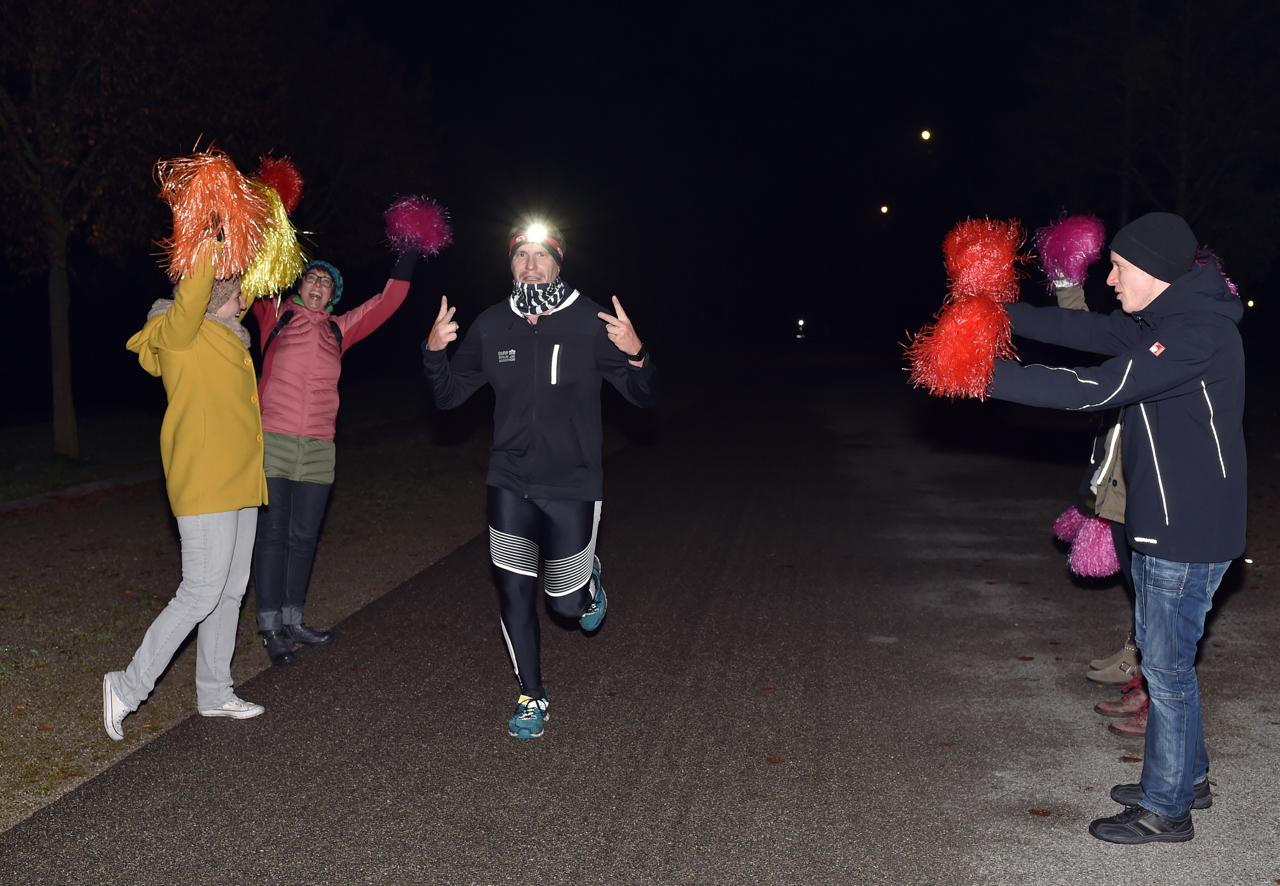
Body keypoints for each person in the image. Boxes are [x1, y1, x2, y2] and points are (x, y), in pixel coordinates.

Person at [987, 212, 1244, 844]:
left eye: (1120, 268)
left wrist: (984, 375)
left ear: (1154, 274)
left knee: (1166, 669)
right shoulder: (1163, 321)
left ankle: (1166, 808)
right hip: (1172, 518)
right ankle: (1188, 778)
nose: (1108, 276)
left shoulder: (1195, 334)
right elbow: (1084, 329)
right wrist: (1000, 315)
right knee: (1170, 666)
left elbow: (1099, 388)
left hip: (1187, 528)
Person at [422, 219, 658, 738]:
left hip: (573, 484)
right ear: (511, 265)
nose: (530, 265)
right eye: (520, 256)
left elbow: (644, 397)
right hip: (508, 481)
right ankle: (532, 695)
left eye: (540, 255)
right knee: (513, 594)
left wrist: (637, 351)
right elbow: (449, 396)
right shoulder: (490, 324)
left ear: (558, 262)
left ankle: (588, 586)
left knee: (565, 605)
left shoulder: (591, 320)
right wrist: (434, 353)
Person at [104, 247, 269, 738]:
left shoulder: (230, 337)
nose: (244, 298)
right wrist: (210, 241)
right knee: (200, 590)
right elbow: (195, 291)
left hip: (241, 479)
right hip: (204, 480)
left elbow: (249, 281)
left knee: (231, 590)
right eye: (235, 291)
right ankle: (126, 686)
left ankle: (215, 691)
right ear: (215, 294)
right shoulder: (183, 333)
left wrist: (257, 232)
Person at [249, 254, 418, 665]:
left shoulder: (340, 329)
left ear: (332, 296)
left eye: (326, 281)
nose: (318, 284)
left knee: (304, 537)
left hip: (321, 446)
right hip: (274, 437)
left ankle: (294, 619)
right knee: (272, 535)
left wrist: (410, 249)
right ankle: (270, 626)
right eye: (311, 277)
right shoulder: (276, 313)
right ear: (299, 285)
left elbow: (388, 301)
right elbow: (253, 271)